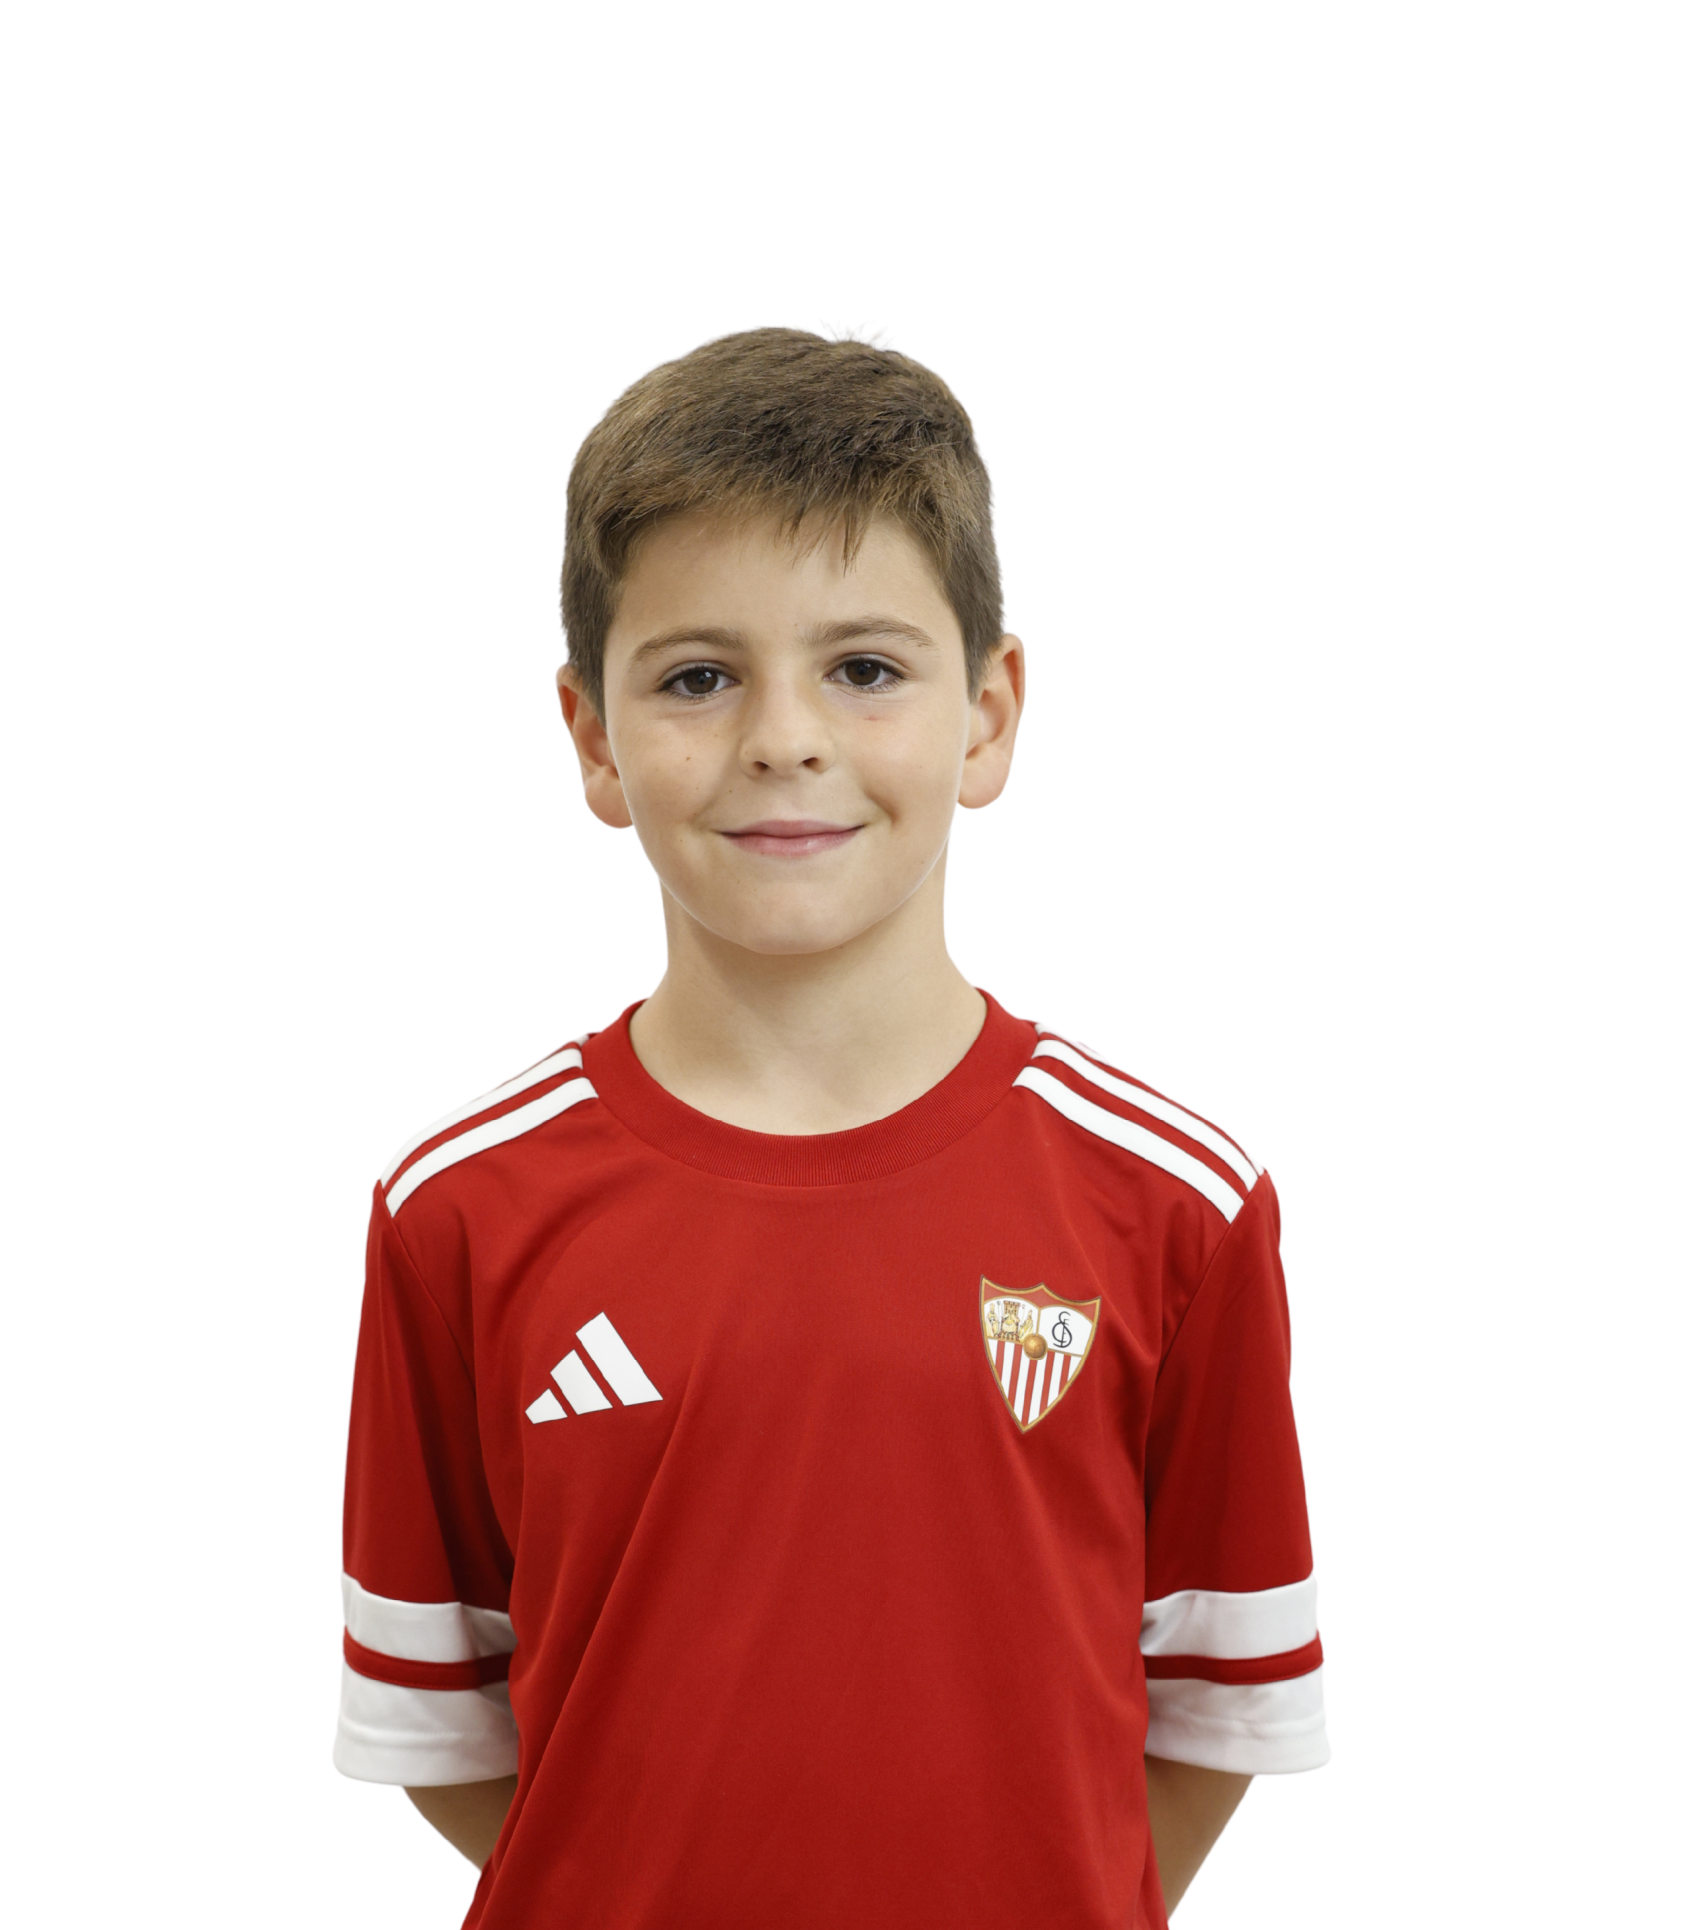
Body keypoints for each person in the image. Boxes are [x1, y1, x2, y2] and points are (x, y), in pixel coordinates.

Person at [331, 320, 1331, 1927]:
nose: (782, 736)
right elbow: (440, 1730)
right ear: (590, 736)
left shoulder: (1179, 1202)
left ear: (988, 713)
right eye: (698, 675)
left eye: (862, 668)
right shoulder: (454, 1203)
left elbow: (1216, 1718)